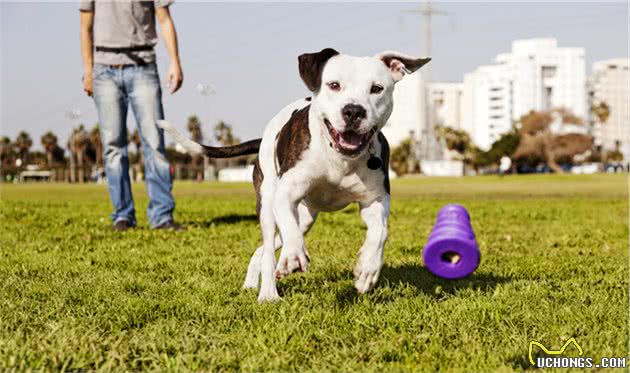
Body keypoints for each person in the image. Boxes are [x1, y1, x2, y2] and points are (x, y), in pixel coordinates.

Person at [79, 0, 184, 231]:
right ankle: (123, 215)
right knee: (113, 146)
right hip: (104, 69)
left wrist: (175, 62)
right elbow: (85, 25)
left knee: (155, 143)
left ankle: (162, 216)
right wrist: (88, 71)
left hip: (143, 66)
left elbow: (164, 18)